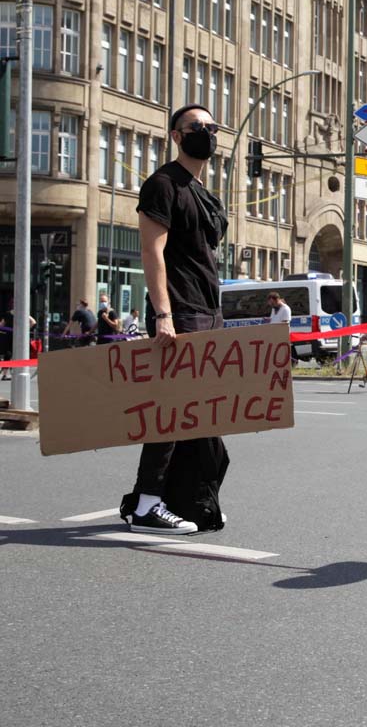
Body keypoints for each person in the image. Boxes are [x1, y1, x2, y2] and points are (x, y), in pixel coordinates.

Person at [120, 103, 230, 535]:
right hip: (181, 312)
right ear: (176, 136)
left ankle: (184, 500)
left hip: (208, 311)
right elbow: (153, 252)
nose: (206, 132)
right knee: (172, 410)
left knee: (198, 415)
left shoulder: (203, 192)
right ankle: (147, 504)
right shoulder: (163, 185)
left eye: (211, 126)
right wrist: (163, 314)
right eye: (195, 127)